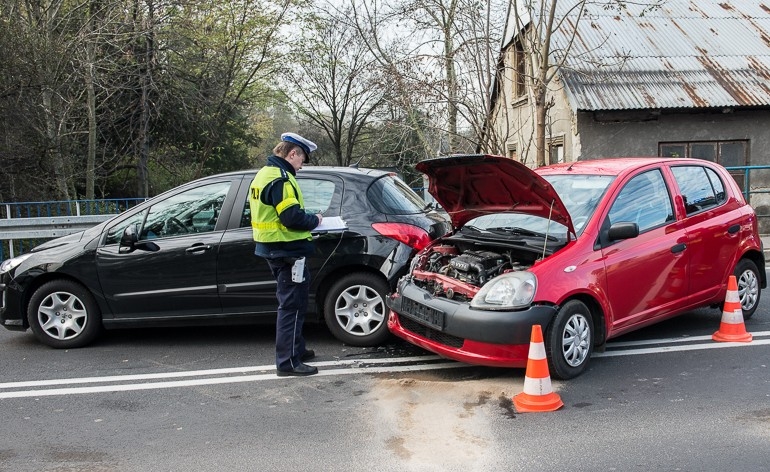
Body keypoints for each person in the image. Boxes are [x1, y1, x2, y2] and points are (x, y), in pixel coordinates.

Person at [249, 132, 322, 377]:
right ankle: (288, 362)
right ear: (292, 154)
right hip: (287, 250)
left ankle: (297, 349)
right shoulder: (281, 178)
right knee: (291, 306)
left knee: (295, 302)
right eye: (301, 160)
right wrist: (316, 220)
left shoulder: (263, 174)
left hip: (275, 248)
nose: (301, 167)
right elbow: (291, 218)